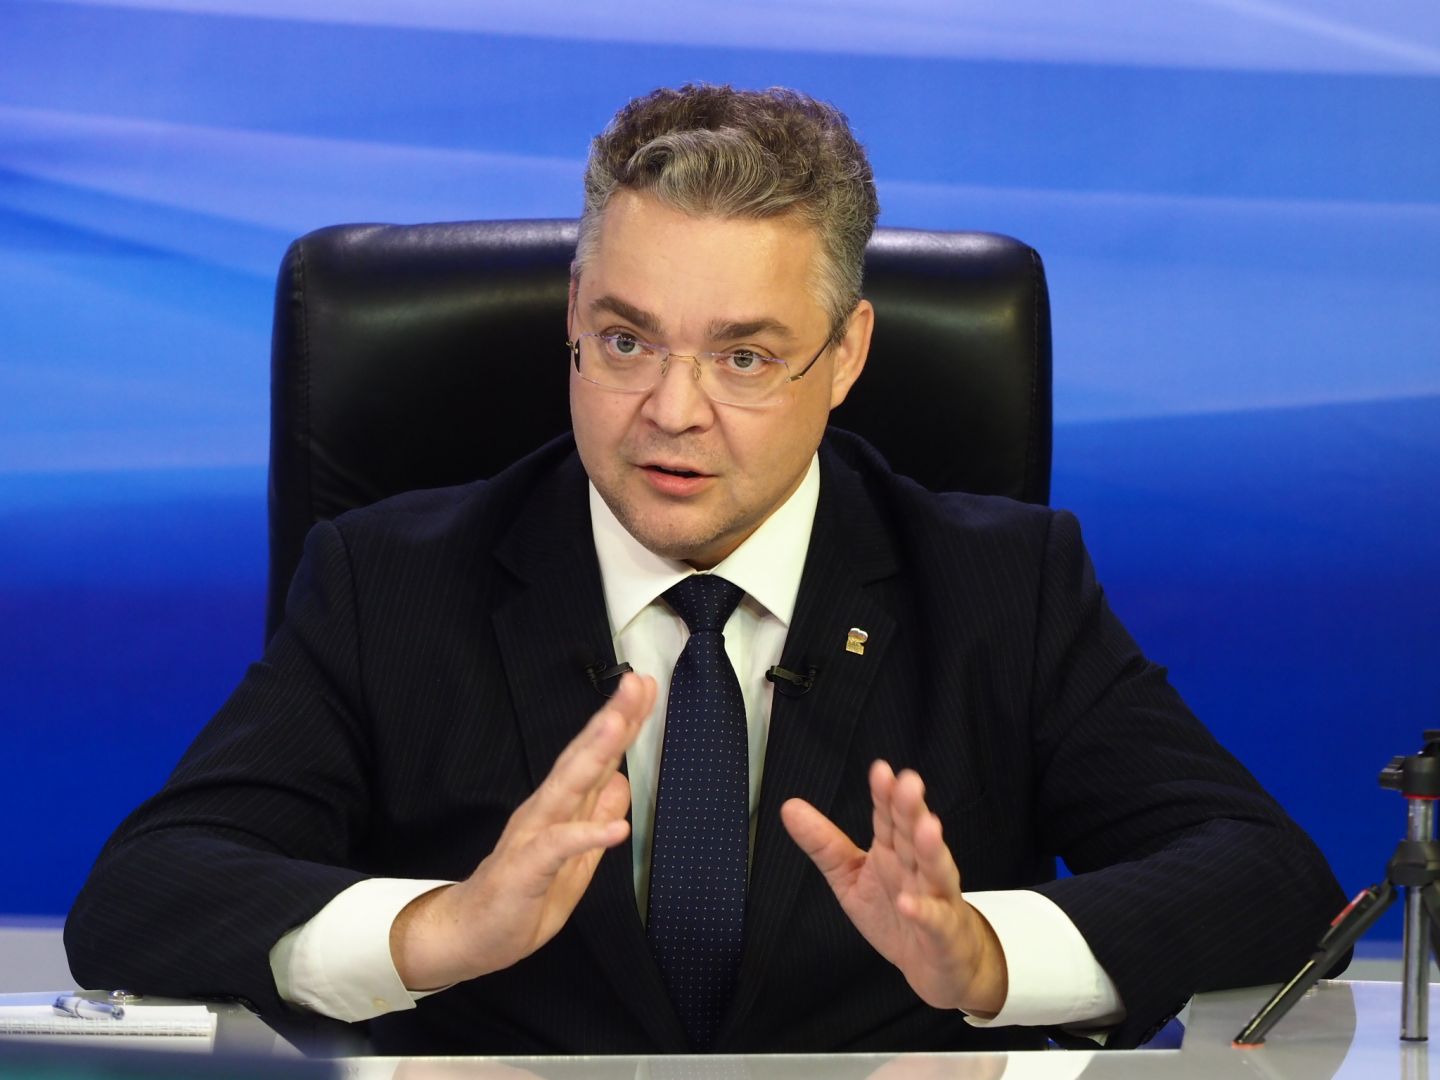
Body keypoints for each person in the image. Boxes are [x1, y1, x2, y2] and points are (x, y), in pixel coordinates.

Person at [65, 84, 1345, 1056]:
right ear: (573, 318)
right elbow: (143, 895)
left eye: (744, 357)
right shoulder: (389, 581)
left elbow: (1268, 879)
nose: (672, 411)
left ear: (847, 356)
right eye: (627, 340)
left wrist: (987, 958)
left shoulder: (1002, 588)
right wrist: (434, 930)